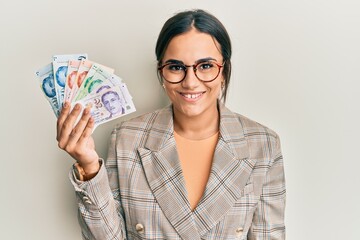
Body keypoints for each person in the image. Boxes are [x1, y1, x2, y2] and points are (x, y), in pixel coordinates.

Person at [57, 9, 286, 240]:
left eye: (205, 66)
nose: (190, 82)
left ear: (224, 71)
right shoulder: (126, 138)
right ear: (161, 73)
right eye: (176, 67)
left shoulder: (263, 144)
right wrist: (89, 166)